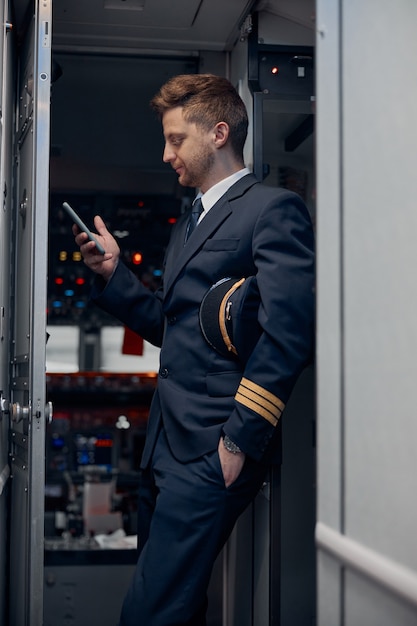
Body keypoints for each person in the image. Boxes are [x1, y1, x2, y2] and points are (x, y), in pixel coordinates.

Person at [73, 73, 315, 626]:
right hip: (164, 445)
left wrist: (239, 441)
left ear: (219, 133)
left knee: (149, 613)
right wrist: (114, 275)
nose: (165, 154)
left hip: (212, 447)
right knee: (176, 609)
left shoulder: (273, 210)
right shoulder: (189, 223)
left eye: (176, 139)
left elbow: (288, 334)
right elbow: (172, 324)